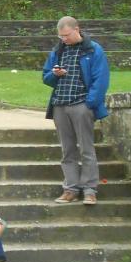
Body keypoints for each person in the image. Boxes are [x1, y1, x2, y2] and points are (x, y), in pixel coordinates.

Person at [42, 16, 111, 205]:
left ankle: (89, 190)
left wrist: (89, 104)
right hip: (60, 106)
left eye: (66, 35)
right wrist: (54, 74)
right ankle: (70, 189)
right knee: (67, 150)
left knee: (86, 148)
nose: (63, 39)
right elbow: (45, 77)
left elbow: (101, 80)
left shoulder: (93, 50)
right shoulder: (58, 51)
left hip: (81, 105)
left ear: (77, 29)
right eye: (61, 36)